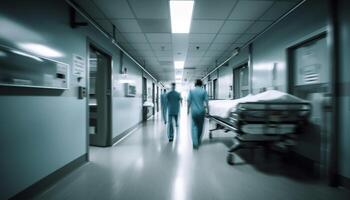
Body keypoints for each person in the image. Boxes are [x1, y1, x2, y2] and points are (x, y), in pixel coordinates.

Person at [187, 79, 209, 149]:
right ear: (201, 84)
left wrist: (187, 110)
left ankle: (195, 142)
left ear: (195, 84)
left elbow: (189, 101)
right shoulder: (204, 91)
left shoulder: (191, 91)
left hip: (194, 111)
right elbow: (206, 102)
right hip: (201, 111)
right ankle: (198, 140)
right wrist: (208, 110)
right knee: (200, 127)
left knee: (194, 127)